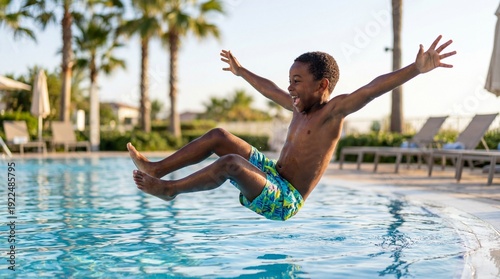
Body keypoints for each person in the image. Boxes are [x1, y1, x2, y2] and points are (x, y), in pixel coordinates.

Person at [128, 35, 456, 221]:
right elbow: (270, 89)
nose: (291, 89)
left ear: (322, 85)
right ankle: (158, 167)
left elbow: (370, 89)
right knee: (219, 137)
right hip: (272, 173)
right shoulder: (298, 107)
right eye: (290, 81)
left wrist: (415, 68)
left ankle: (171, 190)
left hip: (286, 198)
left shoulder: (331, 113)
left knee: (230, 164)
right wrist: (243, 73)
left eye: (297, 82)